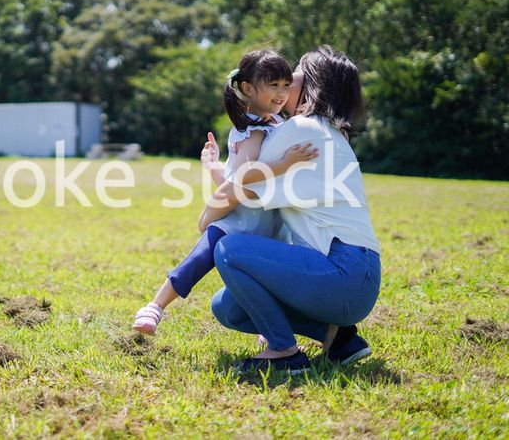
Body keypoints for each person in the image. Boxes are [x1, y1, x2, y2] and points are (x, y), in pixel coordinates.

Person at [200, 45, 381, 375]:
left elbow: (239, 186)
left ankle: (284, 351)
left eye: (295, 72)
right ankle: (337, 337)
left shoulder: (301, 130)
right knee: (228, 309)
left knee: (228, 250)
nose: (287, 79)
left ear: (312, 83)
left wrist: (205, 219)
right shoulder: (328, 132)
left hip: (341, 271)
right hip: (356, 278)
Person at [132, 49, 318, 335]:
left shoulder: (275, 124)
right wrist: (285, 163)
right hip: (236, 222)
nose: (282, 93)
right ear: (247, 88)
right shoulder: (253, 129)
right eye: (273, 85)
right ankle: (154, 308)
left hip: (267, 225)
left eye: (285, 85)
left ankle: (271, 334)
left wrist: (212, 167)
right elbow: (245, 176)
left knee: (262, 284)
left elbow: (234, 178)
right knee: (196, 262)